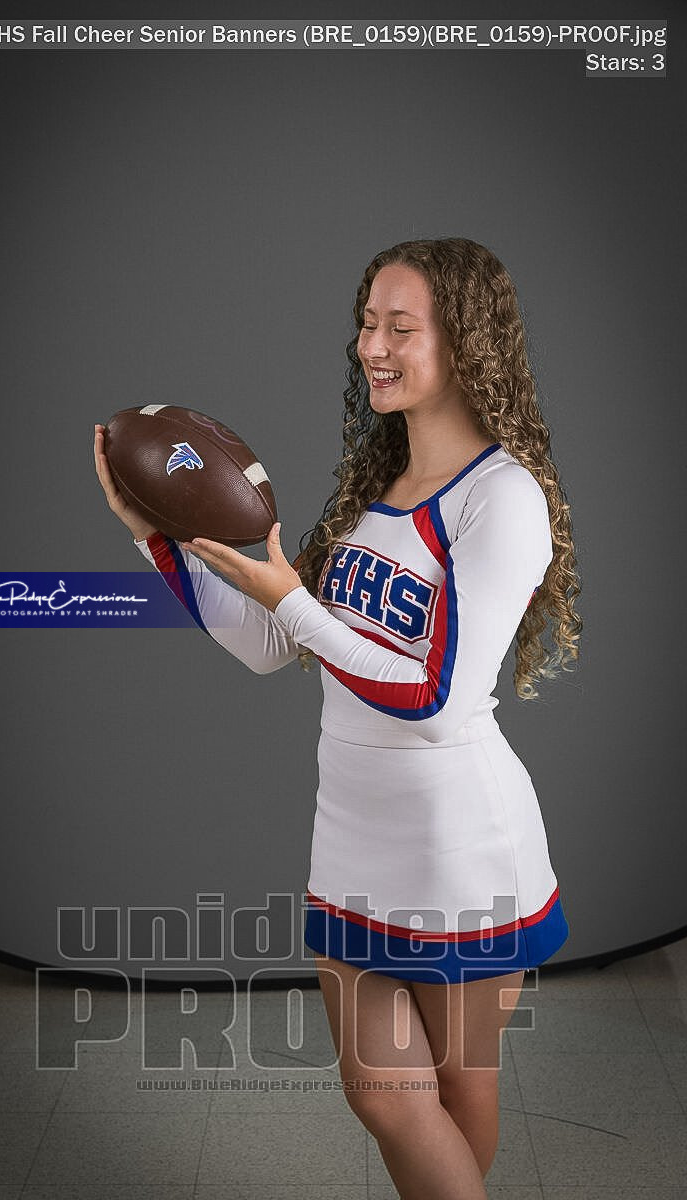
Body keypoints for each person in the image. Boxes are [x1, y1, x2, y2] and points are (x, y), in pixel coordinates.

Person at [93, 237, 581, 1200]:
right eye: (367, 324)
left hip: (458, 844)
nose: (373, 346)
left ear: (466, 341)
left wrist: (292, 598)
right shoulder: (374, 495)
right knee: (385, 1094)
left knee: (454, 1093)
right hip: (354, 834)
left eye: (401, 327)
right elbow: (273, 644)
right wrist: (158, 539)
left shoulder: (503, 499)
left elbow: (434, 696)